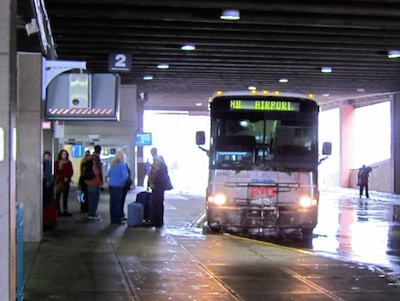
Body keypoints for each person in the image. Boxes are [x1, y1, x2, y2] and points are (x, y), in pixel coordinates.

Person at [148, 147, 172, 227]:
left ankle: (157, 220)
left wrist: (151, 183)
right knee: (160, 202)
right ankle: (159, 220)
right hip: (161, 185)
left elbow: (154, 173)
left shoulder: (156, 160)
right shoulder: (162, 161)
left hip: (157, 185)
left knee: (155, 203)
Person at [107, 151, 128, 224]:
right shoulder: (123, 165)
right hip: (118, 186)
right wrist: (121, 183)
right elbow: (125, 176)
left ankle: (113, 219)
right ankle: (117, 220)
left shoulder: (113, 165)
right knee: (117, 203)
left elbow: (108, 174)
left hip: (111, 185)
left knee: (112, 203)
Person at [85, 145, 104, 219]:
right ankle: (93, 213)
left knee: (90, 198)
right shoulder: (96, 159)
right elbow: (97, 171)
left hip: (88, 181)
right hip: (95, 181)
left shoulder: (88, 158)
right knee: (95, 198)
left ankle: (90, 213)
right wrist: (100, 182)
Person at [54, 150, 74, 216]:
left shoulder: (68, 163)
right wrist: (61, 178)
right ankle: (58, 210)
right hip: (59, 182)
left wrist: (67, 178)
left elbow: (71, 171)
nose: (64, 155)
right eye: (63, 154)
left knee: (65, 196)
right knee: (58, 197)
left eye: (65, 154)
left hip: (66, 182)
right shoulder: (57, 162)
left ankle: (65, 210)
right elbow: (56, 172)